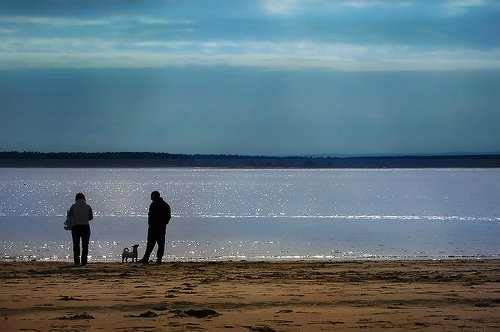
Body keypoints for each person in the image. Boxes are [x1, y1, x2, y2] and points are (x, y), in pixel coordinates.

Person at [138, 191, 171, 264]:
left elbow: (168, 217)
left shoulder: (158, 205)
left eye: (152, 196)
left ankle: (153, 259)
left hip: (156, 227)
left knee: (154, 244)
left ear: (156, 196)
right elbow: (168, 216)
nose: (151, 198)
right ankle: (152, 259)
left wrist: (163, 223)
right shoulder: (163, 205)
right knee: (156, 244)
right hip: (156, 227)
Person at [68, 193, 93, 266]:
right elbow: (91, 217)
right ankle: (84, 262)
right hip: (85, 226)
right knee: (85, 245)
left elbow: (70, 216)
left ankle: (76, 261)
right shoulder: (88, 207)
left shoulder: (73, 206)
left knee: (76, 245)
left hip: (76, 227)